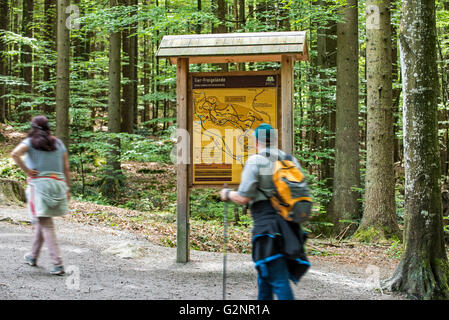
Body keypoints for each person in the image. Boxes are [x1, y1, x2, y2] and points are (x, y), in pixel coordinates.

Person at [220, 123, 309, 300]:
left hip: (267, 227)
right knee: (266, 275)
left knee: (278, 278)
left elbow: (244, 197)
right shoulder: (290, 160)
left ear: (256, 141)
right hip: (290, 225)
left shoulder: (256, 161)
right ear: (275, 140)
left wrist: (227, 194)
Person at [11, 115, 71, 275]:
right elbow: (66, 168)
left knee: (45, 223)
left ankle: (58, 263)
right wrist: (68, 187)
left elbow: (15, 154)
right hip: (58, 184)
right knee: (42, 220)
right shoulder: (58, 143)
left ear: (33, 127)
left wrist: (27, 171)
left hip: (39, 186)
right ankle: (33, 255)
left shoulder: (30, 142)